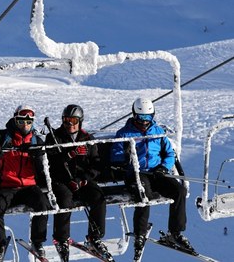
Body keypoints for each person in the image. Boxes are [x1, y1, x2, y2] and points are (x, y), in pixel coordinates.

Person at [111, 98, 195, 260]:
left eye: (148, 118)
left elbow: (170, 154)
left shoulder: (158, 132)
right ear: (134, 115)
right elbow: (116, 155)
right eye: (141, 118)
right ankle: (140, 233)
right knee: (144, 194)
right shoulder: (124, 134)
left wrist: (163, 167)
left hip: (156, 173)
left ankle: (175, 232)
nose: (144, 122)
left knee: (179, 190)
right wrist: (124, 162)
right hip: (136, 174)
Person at [0, 105, 51, 262]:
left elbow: (43, 166)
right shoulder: (3, 137)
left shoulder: (36, 140)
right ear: (15, 120)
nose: (25, 125)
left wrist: (37, 154)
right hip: (7, 186)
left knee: (43, 204)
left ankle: (38, 242)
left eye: (29, 122)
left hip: (29, 186)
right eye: (21, 121)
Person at [44, 104, 111, 262]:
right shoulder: (54, 137)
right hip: (61, 180)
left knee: (98, 198)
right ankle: (61, 239)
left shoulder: (87, 139)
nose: (70, 124)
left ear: (80, 121)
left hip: (81, 180)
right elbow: (50, 162)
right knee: (65, 200)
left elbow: (96, 165)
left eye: (74, 120)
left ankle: (94, 237)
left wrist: (83, 180)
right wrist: (70, 154)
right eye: (67, 120)